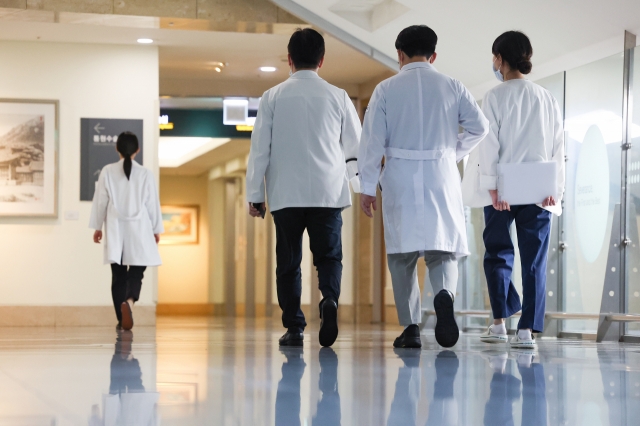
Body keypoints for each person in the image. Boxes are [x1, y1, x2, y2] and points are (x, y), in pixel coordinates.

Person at [359, 25, 489, 349]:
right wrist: (451, 152)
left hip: (400, 175)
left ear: (399, 54)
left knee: (402, 256)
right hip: (441, 174)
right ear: (434, 55)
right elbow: (480, 127)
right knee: (442, 249)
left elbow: (372, 141)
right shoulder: (452, 86)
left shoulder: (385, 89)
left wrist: (366, 185)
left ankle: (411, 329)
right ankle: (443, 295)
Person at [246, 28, 361, 348]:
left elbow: (259, 151)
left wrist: (255, 195)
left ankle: (295, 326)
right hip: (328, 192)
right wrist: (360, 186)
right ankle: (330, 300)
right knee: (329, 257)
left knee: (289, 262)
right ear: (322, 60)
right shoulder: (339, 96)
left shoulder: (273, 97)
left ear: (289, 59)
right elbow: (356, 148)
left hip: (286, 195)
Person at [463, 31, 564, 349]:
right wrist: (555, 190)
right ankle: (526, 332)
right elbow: (557, 147)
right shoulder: (546, 97)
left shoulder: (495, 96)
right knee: (534, 260)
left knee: (497, 255)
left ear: (500, 59)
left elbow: (489, 145)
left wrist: (492, 188)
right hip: (538, 190)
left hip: (503, 190)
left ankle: (499, 324)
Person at [89, 132, 163, 331]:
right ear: (137, 150)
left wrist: (97, 227)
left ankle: (122, 320)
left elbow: (101, 201)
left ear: (117, 149)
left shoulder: (107, 171)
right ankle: (129, 303)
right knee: (137, 271)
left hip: (116, 228)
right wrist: (156, 229)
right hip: (140, 227)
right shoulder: (146, 174)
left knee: (118, 275)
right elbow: (152, 204)